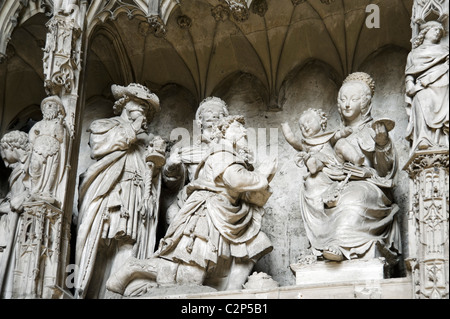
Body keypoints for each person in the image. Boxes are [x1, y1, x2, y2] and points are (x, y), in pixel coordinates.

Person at [106, 115, 277, 296]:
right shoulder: (221, 153)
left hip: (228, 215)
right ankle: (134, 268)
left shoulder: (232, 156)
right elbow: (235, 180)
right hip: (208, 213)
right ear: (226, 132)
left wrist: (262, 179)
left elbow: (246, 192)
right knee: (188, 273)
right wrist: (261, 175)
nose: (244, 132)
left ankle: (231, 294)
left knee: (256, 243)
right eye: (238, 128)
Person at [299, 72, 401, 266]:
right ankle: (320, 246)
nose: (347, 104)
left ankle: (341, 244)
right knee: (312, 183)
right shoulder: (334, 135)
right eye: (343, 99)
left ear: (364, 103)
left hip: (368, 184)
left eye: (353, 99)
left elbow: (386, 172)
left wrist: (381, 145)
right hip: (338, 182)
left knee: (353, 198)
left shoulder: (375, 129)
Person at [75, 83, 164, 299]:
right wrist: (133, 129)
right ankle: (88, 293)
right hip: (108, 191)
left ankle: (116, 295)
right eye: (138, 104)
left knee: (127, 244)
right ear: (124, 103)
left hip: (135, 194)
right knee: (99, 241)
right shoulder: (104, 125)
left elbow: (156, 171)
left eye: (146, 108)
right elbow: (99, 147)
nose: (143, 110)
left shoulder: (147, 140)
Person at [162, 97, 229, 226]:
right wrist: (171, 166)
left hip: (223, 198)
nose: (213, 114)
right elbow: (174, 184)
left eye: (219, 112)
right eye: (208, 111)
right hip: (195, 196)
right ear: (199, 121)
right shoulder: (188, 152)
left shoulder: (231, 150)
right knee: (172, 213)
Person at [405, 20, 449, 153]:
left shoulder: (444, 50)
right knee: (421, 102)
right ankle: (423, 138)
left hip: (442, 85)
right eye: (435, 29)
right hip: (422, 87)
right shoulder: (413, 54)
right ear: (425, 32)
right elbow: (409, 73)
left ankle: (441, 140)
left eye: (440, 32)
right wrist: (409, 85)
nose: (438, 33)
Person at [281, 108, 360, 176]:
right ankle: (313, 165)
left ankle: (356, 158)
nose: (305, 126)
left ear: (321, 121)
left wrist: (345, 132)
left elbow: (338, 135)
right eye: (301, 127)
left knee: (342, 142)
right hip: (321, 165)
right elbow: (292, 140)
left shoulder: (328, 136)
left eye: (308, 121)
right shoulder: (306, 144)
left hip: (336, 160)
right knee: (313, 158)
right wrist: (285, 127)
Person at [0, 131, 31, 298]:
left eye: (3, 153)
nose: (4, 160)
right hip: (10, 218)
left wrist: (17, 201)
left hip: (19, 221)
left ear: (10, 147)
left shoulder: (31, 163)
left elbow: (33, 190)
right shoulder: (18, 167)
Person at [28, 95, 68, 206]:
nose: (48, 107)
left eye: (52, 105)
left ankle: (47, 191)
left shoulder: (59, 124)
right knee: (35, 167)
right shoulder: (39, 124)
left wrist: (60, 124)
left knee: (50, 171)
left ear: (58, 109)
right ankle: (34, 190)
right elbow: (31, 136)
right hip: (38, 148)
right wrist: (34, 141)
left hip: (53, 148)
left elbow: (60, 138)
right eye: (46, 106)